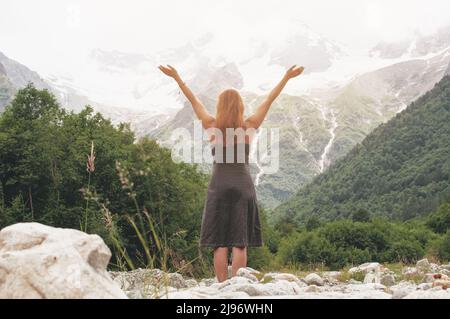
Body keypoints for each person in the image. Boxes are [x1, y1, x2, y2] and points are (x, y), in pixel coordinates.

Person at [158, 63, 304, 282]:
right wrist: (286, 77)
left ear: (220, 107)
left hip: (219, 186)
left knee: (219, 242)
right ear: (240, 107)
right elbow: (268, 100)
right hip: (243, 186)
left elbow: (193, 100)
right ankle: (237, 287)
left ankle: (221, 286)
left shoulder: (211, 125)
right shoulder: (249, 126)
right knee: (239, 241)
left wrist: (177, 77)